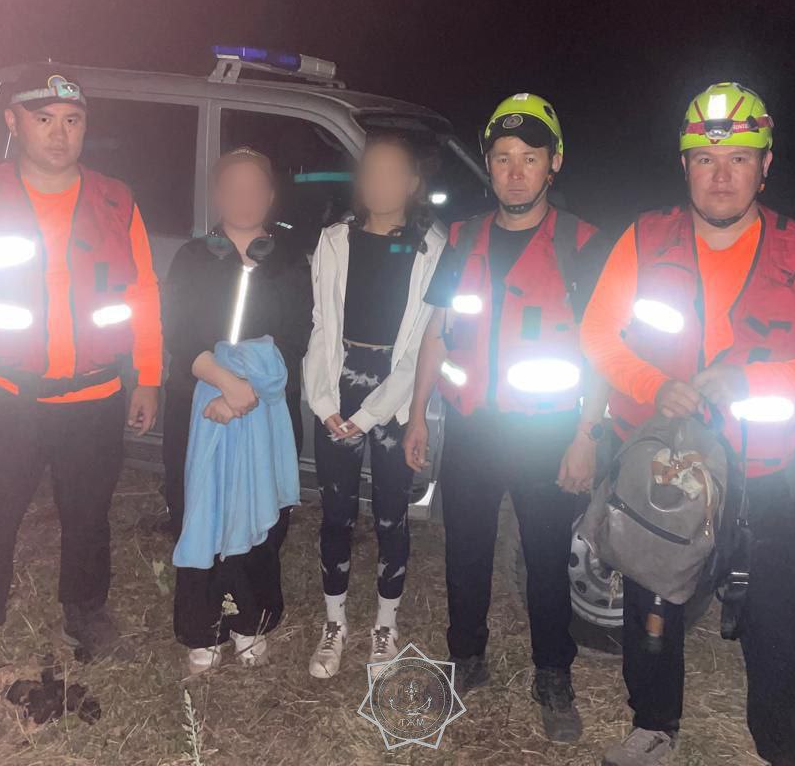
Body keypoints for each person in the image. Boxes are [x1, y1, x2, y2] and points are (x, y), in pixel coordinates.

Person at [581, 83, 795, 766]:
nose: (722, 175)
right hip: (664, 466)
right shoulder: (644, 239)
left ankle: (792, 751)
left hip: (759, 475)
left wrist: (750, 382)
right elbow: (598, 335)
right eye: (706, 160)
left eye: (739, 158)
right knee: (651, 607)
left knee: (780, 626)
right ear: (685, 166)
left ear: (766, 165)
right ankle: (654, 724)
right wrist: (654, 385)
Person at [0, 67, 162, 667]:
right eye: (44, 119)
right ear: (13, 122)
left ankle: (86, 616)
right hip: (2, 397)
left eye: (72, 121)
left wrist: (149, 377)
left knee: (89, 518)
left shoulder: (116, 200)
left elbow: (144, 294)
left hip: (95, 398)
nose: (59, 133)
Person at [403, 93, 609, 744]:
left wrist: (586, 435)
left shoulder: (582, 244)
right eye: (502, 158)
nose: (515, 172)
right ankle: (467, 657)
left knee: (546, 558)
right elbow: (437, 332)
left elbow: (603, 351)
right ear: (487, 165)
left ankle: (553, 673)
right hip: (472, 429)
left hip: (546, 433)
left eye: (530, 157)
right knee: (465, 549)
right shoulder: (462, 239)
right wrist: (417, 415)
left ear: (555, 162)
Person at [301, 133, 447, 677]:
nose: (379, 183)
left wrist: (367, 416)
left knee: (391, 513)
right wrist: (324, 401)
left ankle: (386, 624)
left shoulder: (432, 248)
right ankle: (334, 622)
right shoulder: (334, 239)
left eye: (392, 172)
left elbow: (421, 343)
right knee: (336, 511)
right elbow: (321, 324)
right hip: (338, 383)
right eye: (370, 172)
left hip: (395, 394)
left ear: (412, 183)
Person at [163, 147, 311, 674]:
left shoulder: (289, 261)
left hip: (265, 411)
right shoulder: (192, 258)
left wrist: (248, 390)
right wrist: (223, 382)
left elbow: (296, 337)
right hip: (197, 407)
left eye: (255, 188)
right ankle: (202, 625)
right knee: (196, 510)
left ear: (269, 197)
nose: (244, 198)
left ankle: (251, 619)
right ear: (217, 195)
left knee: (262, 516)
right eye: (233, 188)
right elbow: (178, 331)